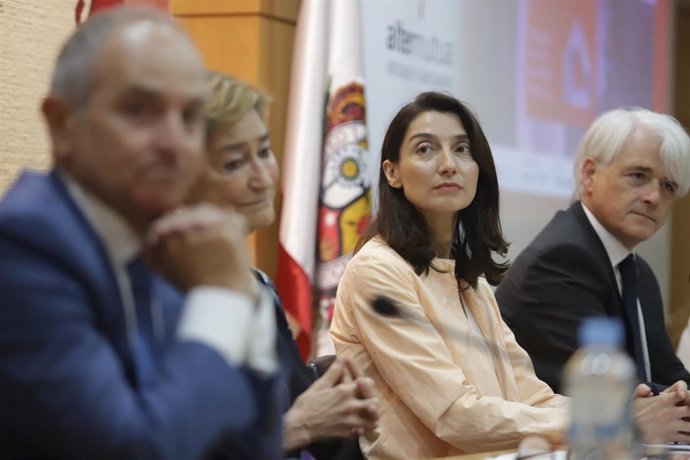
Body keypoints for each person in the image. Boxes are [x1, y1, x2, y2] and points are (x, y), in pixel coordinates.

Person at [0, 6, 281, 459]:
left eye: (190, 117)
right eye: (138, 111)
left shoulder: (166, 241)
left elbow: (252, 446)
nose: (174, 143)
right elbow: (136, 451)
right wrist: (223, 298)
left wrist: (243, 306)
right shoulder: (22, 249)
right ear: (62, 124)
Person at [329, 92, 570, 458]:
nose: (448, 165)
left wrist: (617, 417)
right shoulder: (377, 271)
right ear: (392, 172)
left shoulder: (466, 276)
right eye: (425, 150)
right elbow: (454, 416)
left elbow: (530, 395)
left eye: (461, 150)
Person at [187, 71, 378, 459]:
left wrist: (336, 396)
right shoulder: (163, 299)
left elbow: (293, 403)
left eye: (264, 151)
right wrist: (301, 424)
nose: (261, 177)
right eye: (235, 162)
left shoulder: (255, 284)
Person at [495, 107, 690, 441]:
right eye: (638, 176)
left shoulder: (637, 271)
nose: (654, 197)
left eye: (668, 185)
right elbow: (610, 394)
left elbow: (669, 375)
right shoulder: (560, 259)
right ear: (589, 175)